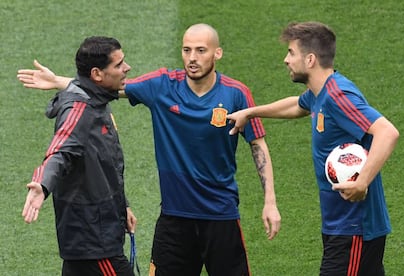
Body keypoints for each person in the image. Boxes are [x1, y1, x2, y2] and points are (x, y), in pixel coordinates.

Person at [17, 23, 281, 276]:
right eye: (186, 49)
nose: (192, 57)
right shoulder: (162, 85)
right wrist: (59, 81)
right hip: (174, 220)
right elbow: (107, 86)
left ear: (217, 53)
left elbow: (258, 145)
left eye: (201, 50)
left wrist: (270, 202)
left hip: (221, 217)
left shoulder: (237, 94)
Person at [226, 21, 399, 275]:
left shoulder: (338, 96)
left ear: (310, 60)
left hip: (354, 228)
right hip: (341, 225)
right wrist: (251, 113)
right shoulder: (321, 93)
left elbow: (387, 132)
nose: (286, 60)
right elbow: (297, 105)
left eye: (291, 52)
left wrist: (362, 181)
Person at [21, 36, 138, 276]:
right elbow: (60, 151)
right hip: (94, 240)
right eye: (119, 64)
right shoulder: (80, 110)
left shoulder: (97, 99)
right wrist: (42, 184)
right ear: (97, 74)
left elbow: (102, 166)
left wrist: (121, 206)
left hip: (94, 232)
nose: (127, 68)